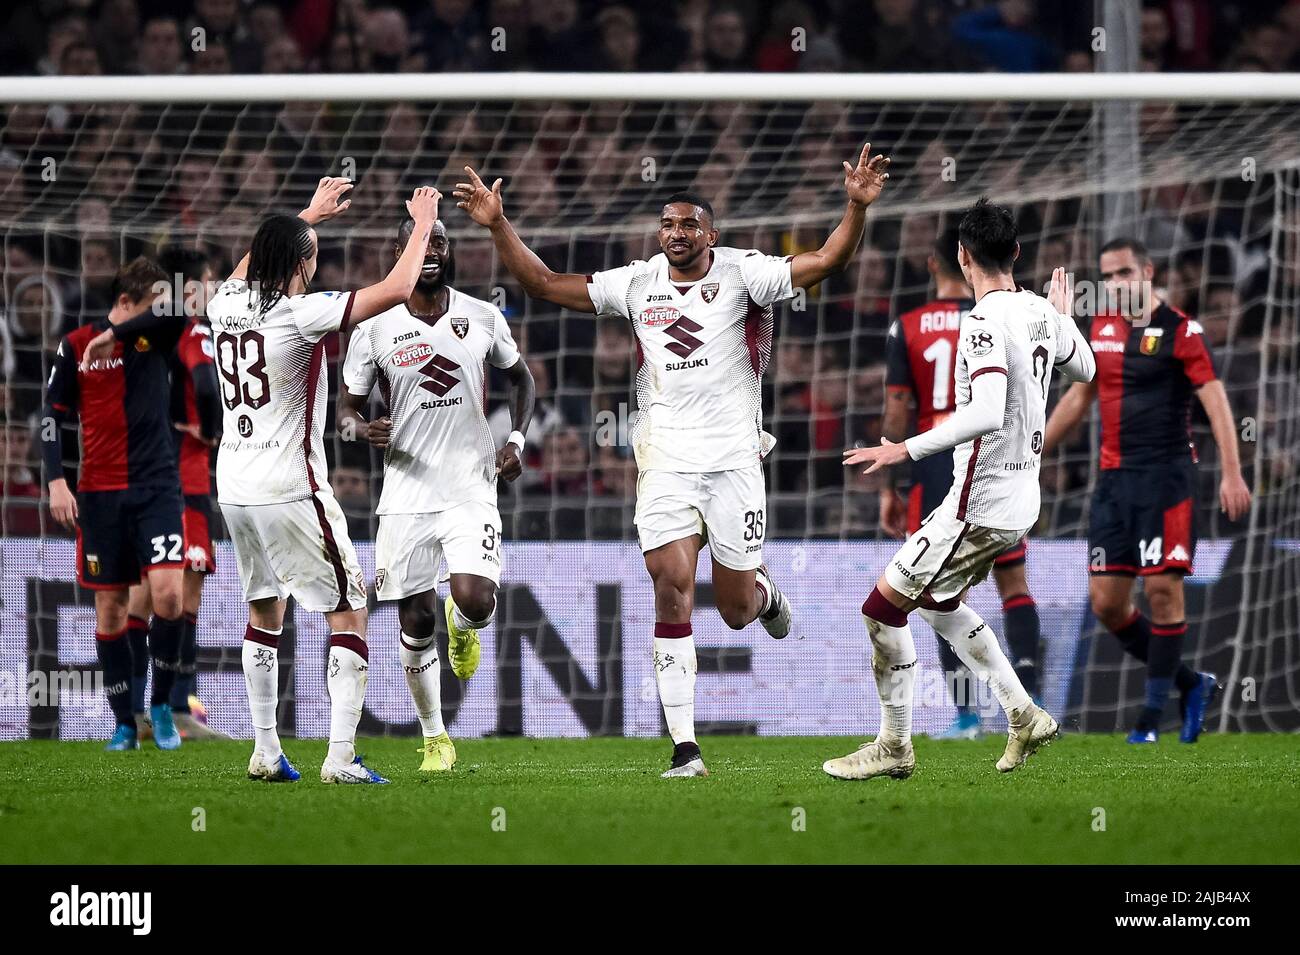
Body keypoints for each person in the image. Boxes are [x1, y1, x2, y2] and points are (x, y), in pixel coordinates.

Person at [454, 142, 890, 777]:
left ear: (711, 233)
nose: (677, 233)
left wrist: (854, 208)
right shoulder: (637, 282)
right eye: (668, 224)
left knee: (736, 611)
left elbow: (826, 259)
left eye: (690, 224)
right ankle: (686, 749)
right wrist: (497, 222)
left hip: (736, 460)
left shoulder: (746, 273)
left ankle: (763, 595)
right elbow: (544, 283)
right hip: (663, 462)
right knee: (671, 588)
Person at [825, 198, 1095, 781]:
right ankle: (1022, 712)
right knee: (938, 602)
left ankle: (895, 745)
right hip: (1022, 500)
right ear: (1017, 253)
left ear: (962, 256)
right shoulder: (1038, 314)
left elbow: (988, 412)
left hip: (979, 500)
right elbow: (1089, 370)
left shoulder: (983, 322)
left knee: (880, 611)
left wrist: (906, 447)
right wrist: (1062, 316)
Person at [201, 177, 440, 784]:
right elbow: (398, 288)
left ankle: (263, 750)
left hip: (233, 483)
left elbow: (249, 265)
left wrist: (304, 217)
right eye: (309, 255)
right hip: (292, 484)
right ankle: (339, 758)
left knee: (264, 606)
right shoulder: (302, 315)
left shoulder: (222, 304)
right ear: (301, 263)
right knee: (349, 607)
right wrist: (421, 223)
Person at [338, 211, 535, 773]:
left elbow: (522, 379)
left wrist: (516, 440)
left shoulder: (483, 316)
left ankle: (464, 627)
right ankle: (435, 736)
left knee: (474, 599)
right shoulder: (374, 326)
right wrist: (360, 427)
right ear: (399, 251)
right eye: (419, 241)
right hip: (405, 492)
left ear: (450, 252)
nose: (430, 251)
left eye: (438, 241)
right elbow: (347, 408)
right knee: (414, 620)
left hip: (472, 487)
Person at [1044, 237, 1251, 743]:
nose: (1114, 285)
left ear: (1148, 271)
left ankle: (1149, 719)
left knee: (1162, 591)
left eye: (1122, 273)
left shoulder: (1181, 330)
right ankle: (1190, 684)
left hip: (1168, 481)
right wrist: (1036, 450)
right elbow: (1080, 396)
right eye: (1107, 276)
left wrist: (1232, 471)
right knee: (1107, 603)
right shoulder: (1102, 329)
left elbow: (1216, 402)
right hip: (1114, 484)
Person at [880, 224, 1043, 739]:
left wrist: (891, 479)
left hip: (935, 465)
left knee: (928, 587)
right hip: (999, 460)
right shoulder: (1008, 314)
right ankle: (1030, 690)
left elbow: (899, 404)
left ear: (940, 262)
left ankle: (968, 715)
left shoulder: (907, 326)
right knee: (1014, 586)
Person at [43, 257, 189, 752]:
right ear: (125, 301)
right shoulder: (76, 345)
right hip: (100, 494)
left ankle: (163, 706)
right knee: (110, 610)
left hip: (156, 488)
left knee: (168, 597)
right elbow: (51, 415)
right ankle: (125, 721)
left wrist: (122, 332)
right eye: (150, 303)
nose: (158, 311)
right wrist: (55, 482)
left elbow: (187, 304)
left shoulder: (153, 339)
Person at [124, 248, 225, 741]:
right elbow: (206, 385)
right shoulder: (192, 329)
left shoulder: (141, 336)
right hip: (185, 480)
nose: (216, 289)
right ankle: (176, 706)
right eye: (211, 281)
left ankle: (138, 711)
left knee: (144, 596)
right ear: (191, 288)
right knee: (185, 593)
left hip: (141, 474)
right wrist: (212, 430)